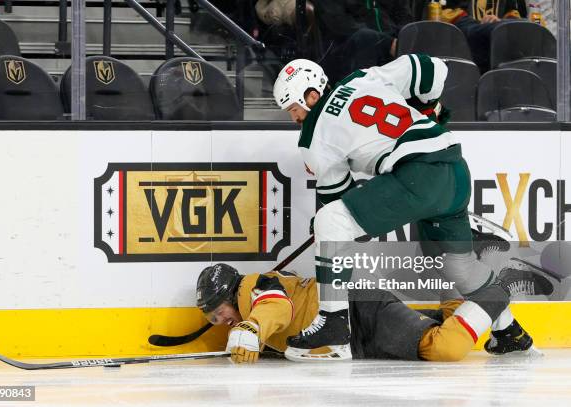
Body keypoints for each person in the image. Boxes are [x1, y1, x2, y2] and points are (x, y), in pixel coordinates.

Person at [271, 55, 537, 361]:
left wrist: (332, 228)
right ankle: (509, 332)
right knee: (459, 268)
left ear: (312, 96)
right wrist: (429, 109)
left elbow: (335, 199)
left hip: (418, 176)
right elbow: (432, 68)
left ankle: (333, 325)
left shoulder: (313, 136)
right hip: (454, 168)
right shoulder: (362, 77)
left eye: (294, 109)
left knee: (329, 221)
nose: (294, 118)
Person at [196, 263, 552, 363]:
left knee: (445, 349)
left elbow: (277, 308)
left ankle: (495, 291)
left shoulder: (255, 287)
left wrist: (251, 326)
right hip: (357, 341)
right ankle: (496, 327)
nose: (220, 320)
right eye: (212, 319)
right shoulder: (251, 305)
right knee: (427, 333)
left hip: (358, 311)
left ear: (233, 292)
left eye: (218, 311)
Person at [311, 0, 414, 83]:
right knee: (365, 37)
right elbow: (339, 24)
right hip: (343, 51)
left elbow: (403, 14)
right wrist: (386, 43)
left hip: (389, 44)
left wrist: (403, 37)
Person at [439, 0, 526, 72]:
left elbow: (512, 12)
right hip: (464, 37)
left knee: (525, 26)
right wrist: (483, 25)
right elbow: (446, 12)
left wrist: (499, 21)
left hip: (499, 39)